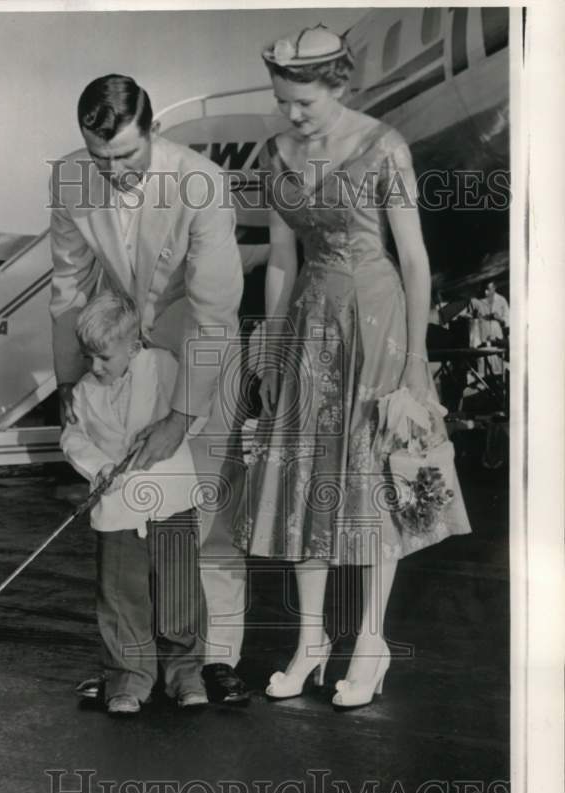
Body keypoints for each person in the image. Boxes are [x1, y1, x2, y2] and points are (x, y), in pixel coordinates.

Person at [238, 26, 471, 709]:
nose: (293, 114)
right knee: (305, 476)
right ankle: (311, 639)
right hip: (311, 325)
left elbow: (416, 259)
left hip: (377, 325)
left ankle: (371, 640)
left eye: (304, 101)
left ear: (338, 84)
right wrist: (274, 348)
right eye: (284, 101)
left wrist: (418, 359)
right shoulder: (275, 153)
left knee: (373, 483)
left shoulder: (382, 146)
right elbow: (282, 258)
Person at [49, 74, 248, 704]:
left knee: (203, 509)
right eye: (100, 158)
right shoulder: (72, 180)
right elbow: (69, 288)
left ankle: (212, 660)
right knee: (129, 522)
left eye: (127, 157)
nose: (113, 172)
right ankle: (130, 664)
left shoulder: (202, 183)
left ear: (153, 132)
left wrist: (180, 416)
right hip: (125, 355)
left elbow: (215, 316)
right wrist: (68, 380)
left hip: (200, 349)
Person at [60, 290, 208, 714]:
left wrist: (174, 426)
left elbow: (194, 409)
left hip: (171, 500)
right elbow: (72, 437)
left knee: (179, 592)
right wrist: (98, 466)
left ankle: (186, 674)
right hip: (118, 509)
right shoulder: (85, 391)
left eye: (104, 357)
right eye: (88, 357)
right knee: (121, 597)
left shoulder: (161, 367)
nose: (94, 367)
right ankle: (128, 677)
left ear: (133, 346)